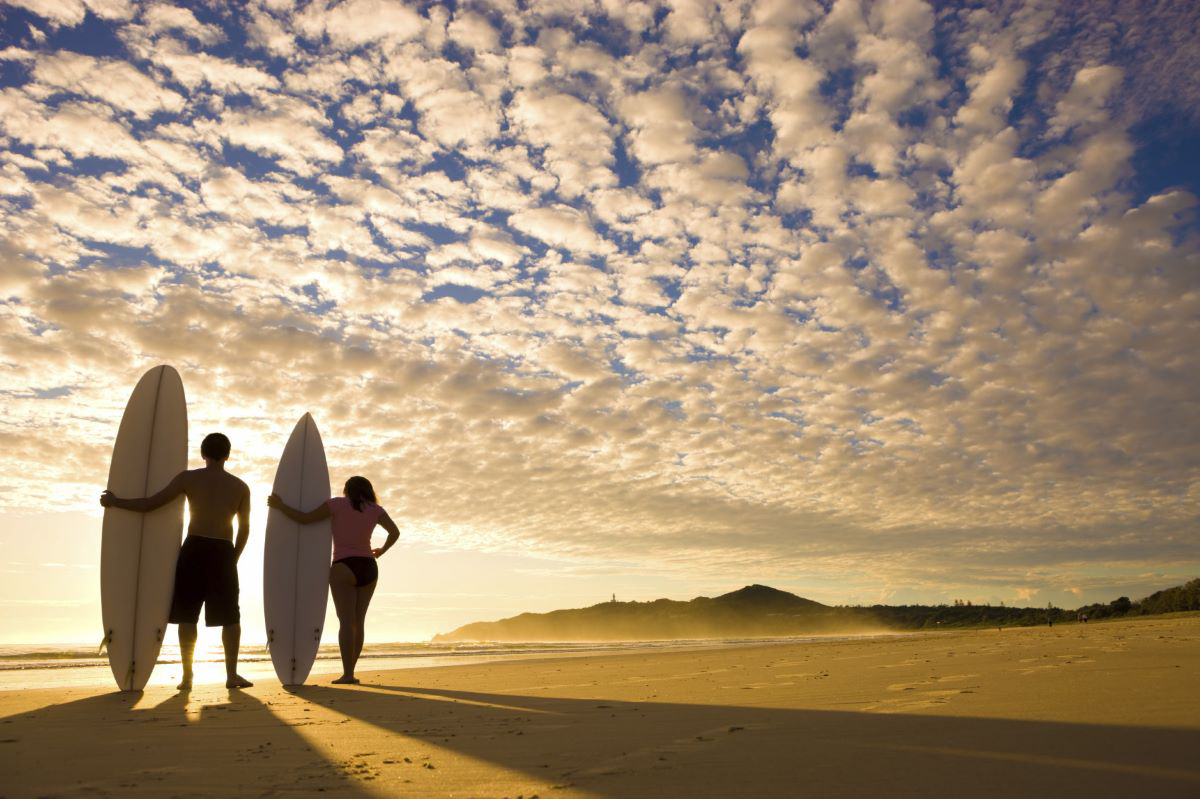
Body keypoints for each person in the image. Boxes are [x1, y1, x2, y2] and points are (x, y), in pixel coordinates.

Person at [101, 432, 252, 690]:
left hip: (194, 549)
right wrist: (233, 558)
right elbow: (245, 529)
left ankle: (188, 676)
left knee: (187, 615)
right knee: (230, 618)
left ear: (203, 453)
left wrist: (116, 502)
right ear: (227, 455)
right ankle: (231, 675)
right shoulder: (240, 487)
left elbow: (151, 504)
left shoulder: (188, 478)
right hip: (223, 551)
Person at [268, 476, 399, 684]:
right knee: (359, 622)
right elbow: (395, 532)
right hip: (368, 567)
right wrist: (381, 551)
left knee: (346, 623)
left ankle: (347, 674)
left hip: (344, 566)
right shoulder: (376, 510)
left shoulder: (336, 504)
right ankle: (351, 672)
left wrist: (280, 506)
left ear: (347, 490)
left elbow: (304, 519)